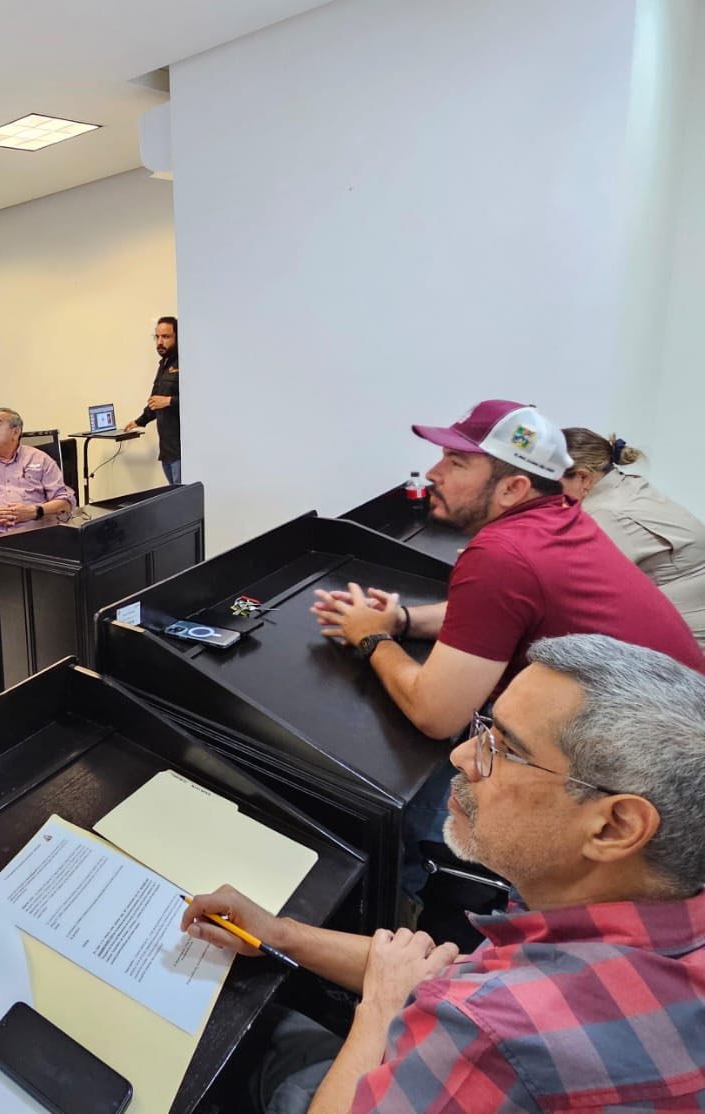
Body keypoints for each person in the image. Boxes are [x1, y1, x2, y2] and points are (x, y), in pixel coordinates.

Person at [181, 634, 705, 1114]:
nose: (462, 755)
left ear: (614, 827)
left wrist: (381, 1009)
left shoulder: (496, 1037)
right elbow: (445, 973)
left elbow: (449, 998)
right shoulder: (646, 907)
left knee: (259, 1040)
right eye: (485, 729)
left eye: (507, 749)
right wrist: (283, 935)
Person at [311, 400, 705, 742]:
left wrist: (372, 637)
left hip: (654, 762)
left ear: (513, 489)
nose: (433, 472)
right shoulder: (564, 517)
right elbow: (493, 617)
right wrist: (401, 620)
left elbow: (437, 716)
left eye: (456, 463)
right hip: (675, 726)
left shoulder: (503, 554)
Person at [562, 428, 705, 649]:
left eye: (550, 483)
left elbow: (574, 589)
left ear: (583, 477)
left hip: (685, 647)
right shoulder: (628, 485)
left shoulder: (606, 514)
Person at [0, 407, 76, 560]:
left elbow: (66, 502)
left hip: (33, 539)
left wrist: (34, 511)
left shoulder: (40, 459)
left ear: (15, 432)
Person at [123, 315, 180, 484]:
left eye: (166, 337)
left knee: (183, 497)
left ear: (178, 337)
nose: (160, 342)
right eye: (157, 337)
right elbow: (155, 401)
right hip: (167, 450)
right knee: (173, 494)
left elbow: (199, 400)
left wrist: (169, 401)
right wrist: (139, 421)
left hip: (182, 451)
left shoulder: (186, 363)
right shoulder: (163, 365)